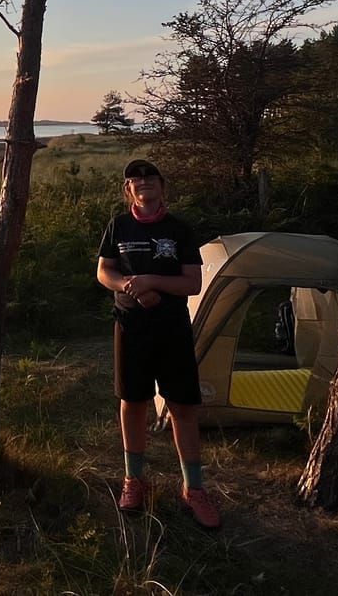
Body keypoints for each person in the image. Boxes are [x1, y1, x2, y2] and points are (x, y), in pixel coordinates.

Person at [95, 158, 221, 529]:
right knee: (132, 401)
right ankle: (135, 480)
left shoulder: (179, 229)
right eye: (135, 178)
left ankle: (193, 489)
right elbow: (105, 271)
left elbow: (192, 284)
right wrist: (130, 286)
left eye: (150, 177)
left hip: (172, 329)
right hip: (131, 327)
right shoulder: (117, 225)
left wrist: (150, 280)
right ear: (128, 190)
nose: (143, 181)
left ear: (162, 186)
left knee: (183, 405)